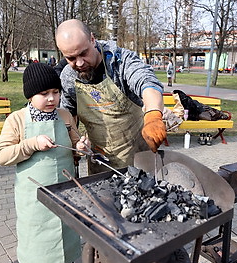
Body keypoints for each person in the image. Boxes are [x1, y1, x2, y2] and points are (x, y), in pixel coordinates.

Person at [0, 63, 90, 263]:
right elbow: (1, 156)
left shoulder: (64, 115)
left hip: (66, 195)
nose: (51, 98)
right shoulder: (17, 120)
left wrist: (82, 146)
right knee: (40, 252)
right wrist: (32, 144)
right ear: (30, 95)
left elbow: (75, 142)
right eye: (44, 93)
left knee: (66, 246)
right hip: (35, 202)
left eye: (55, 92)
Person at [55, 19, 166, 174]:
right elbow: (69, 114)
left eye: (83, 53)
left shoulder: (120, 62)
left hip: (139, 160)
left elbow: (147, 82)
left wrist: (153, 115)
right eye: (71, 58)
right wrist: (74, 144)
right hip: (100, 163)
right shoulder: (68, 77)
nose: (79, 63)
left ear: (92, 40)